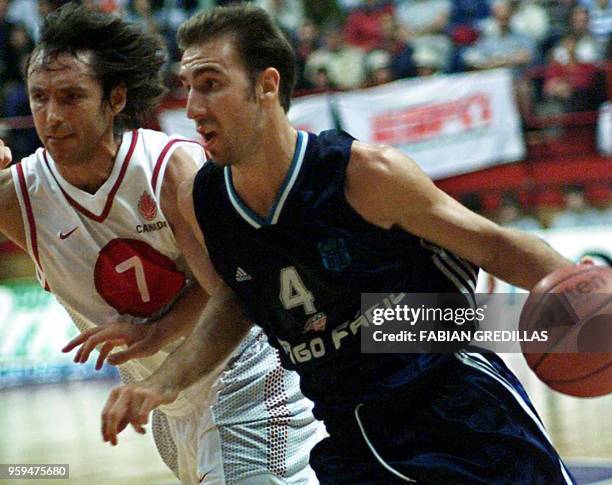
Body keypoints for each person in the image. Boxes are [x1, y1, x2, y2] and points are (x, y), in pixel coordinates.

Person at [101, 4, 579, 484]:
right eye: (186, 88)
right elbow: (238, 296)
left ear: (266, 85)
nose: (192, 108)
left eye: (209, 84)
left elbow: (494, 247)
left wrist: (592, 304)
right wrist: (164, 380)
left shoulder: (363, 174)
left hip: (460, 413)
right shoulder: (205, 200)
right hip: (351, 437)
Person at [0, 4, 321, 484]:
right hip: (170, 410)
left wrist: (155, 332)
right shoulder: (18, 197)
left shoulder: (170, 169)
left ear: (115, 99)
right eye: (39, 97)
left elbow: (229, 292)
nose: (52, 115)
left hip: (246, 379)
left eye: (71, 97)